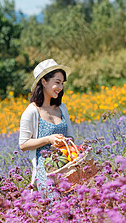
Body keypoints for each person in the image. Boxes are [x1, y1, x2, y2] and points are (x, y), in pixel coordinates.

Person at [19, 59, 75, 194]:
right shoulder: (32, 111)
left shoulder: (62, 108)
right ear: (44, 82)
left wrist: (65, 142)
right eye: (57, 82)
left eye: (62, 83)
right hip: (46, 172)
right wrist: (49, 140)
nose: (60, 87)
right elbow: (23, 144)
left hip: (67, 167)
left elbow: (71, 136)